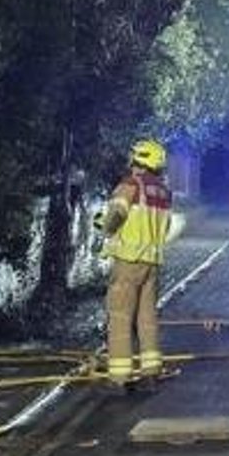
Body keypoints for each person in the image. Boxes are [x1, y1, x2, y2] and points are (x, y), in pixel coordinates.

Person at [100, 137, 175, 385]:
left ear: (138, 160)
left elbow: (116, 216)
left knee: (120, 317)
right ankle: (150, 373)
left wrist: (105, 227)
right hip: (152, 264)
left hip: (128, 262)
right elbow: (165, 227)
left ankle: (119, 379)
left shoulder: (131, 185)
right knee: (147, 318)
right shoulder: (164, 193)